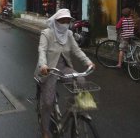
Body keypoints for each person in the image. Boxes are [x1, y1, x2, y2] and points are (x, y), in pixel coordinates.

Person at [35, 8, 95, 138]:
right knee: (48, 102)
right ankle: (45, 130)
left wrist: (88, 62)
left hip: (63, 68)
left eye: (67, 21)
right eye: (62, 21)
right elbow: (42, 51)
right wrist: (43, 65)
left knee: (81, 81)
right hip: (49, 70)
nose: (65, 24)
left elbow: (77, 50)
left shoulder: (68, 34)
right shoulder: (46, 33)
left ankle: (78, 110)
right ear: (56, 21)